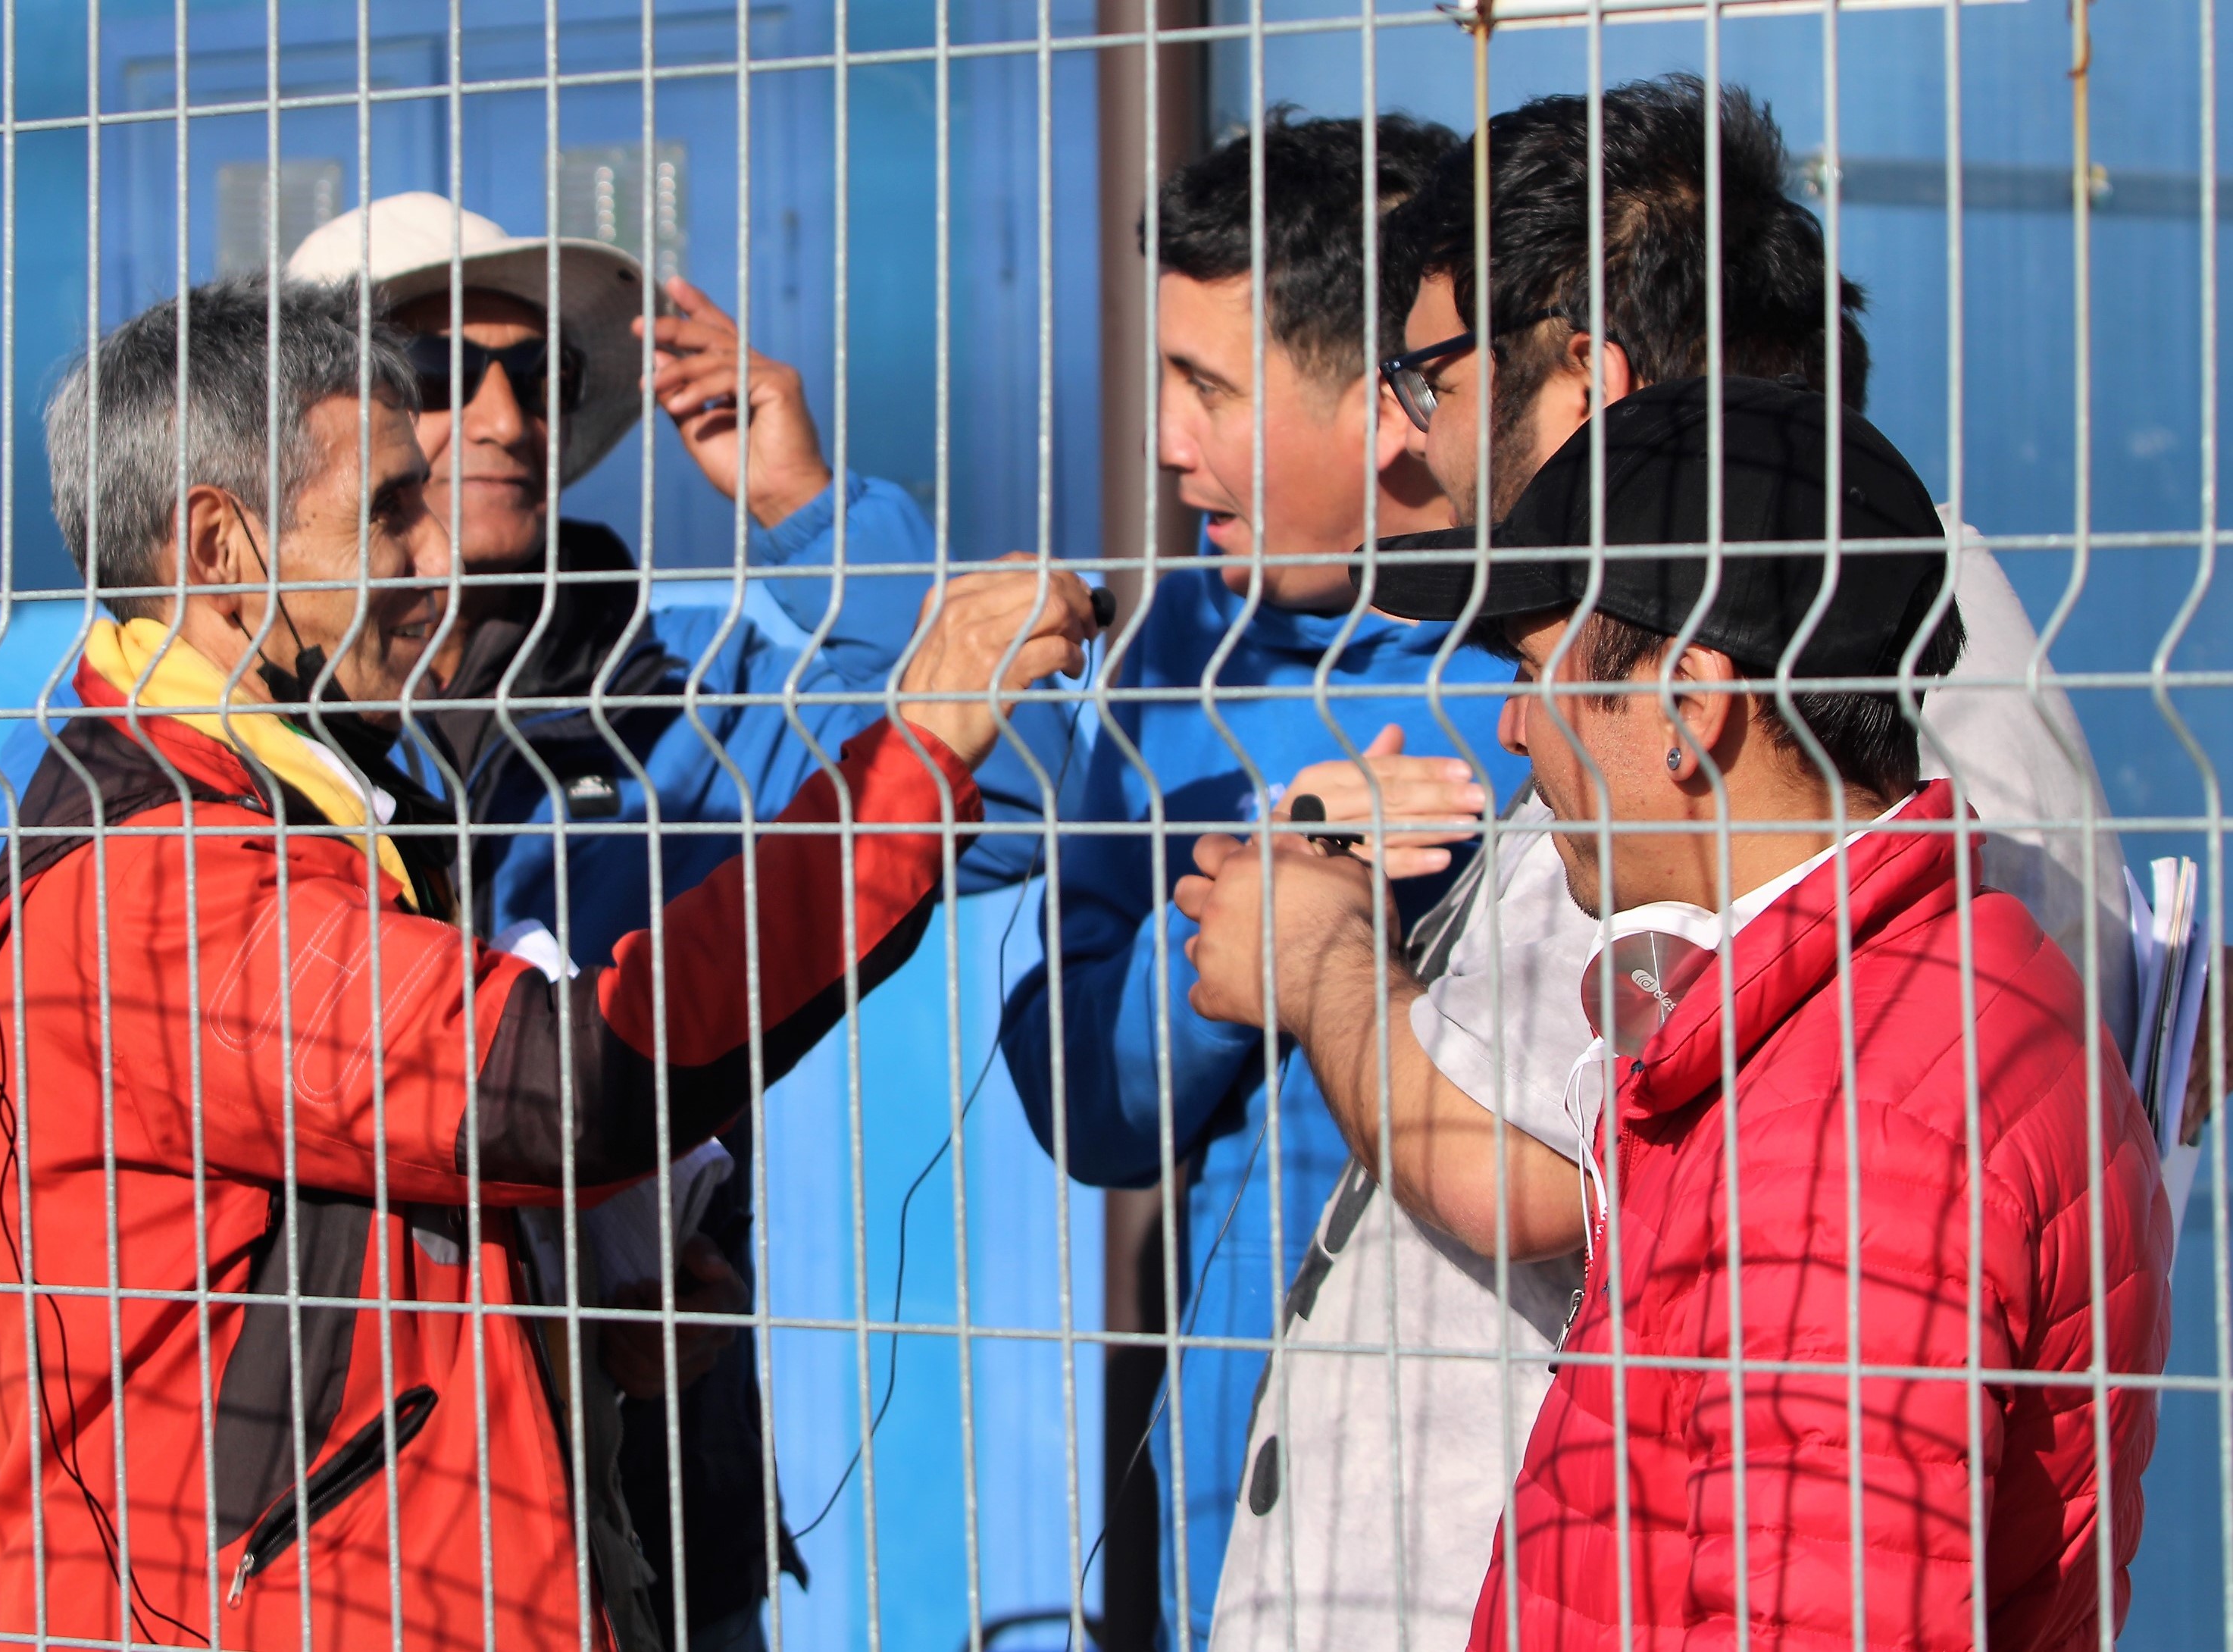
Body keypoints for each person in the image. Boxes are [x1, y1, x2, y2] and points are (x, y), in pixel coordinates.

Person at [0, 273, 1096, 1650]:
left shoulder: (333, 778)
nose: (438, 550)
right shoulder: (162, 871)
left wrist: (568, 1296)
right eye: (391, 506)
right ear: (222, 546)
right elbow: (556, 1085)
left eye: (543, 377)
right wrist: (910, 752)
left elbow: (364, 1205)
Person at [1196, 77, 2144, 1649]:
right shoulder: (1647, 629)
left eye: (1430, 375)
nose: (1404, 431)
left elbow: (1606, 1174)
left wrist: (1321, 963)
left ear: (1587, 376)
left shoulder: (1863, 650)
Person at [284, 195, 1085, 1650]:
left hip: (649, 1507)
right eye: (447, 371)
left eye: (542, 376)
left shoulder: (678, 714)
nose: (510, 418)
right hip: (337, 1517)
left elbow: (1019, 798)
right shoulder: (231, 748)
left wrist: (809, 513)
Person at [996, 110, 1511, 1647]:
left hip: (1505, 1500)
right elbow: (1082, 1097)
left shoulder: (1576, 667)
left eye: (1208, 387)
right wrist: (1245, 927)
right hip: (1231, 1502)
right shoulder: (1180, 651)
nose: (1168, 440)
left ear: (1392, 400)